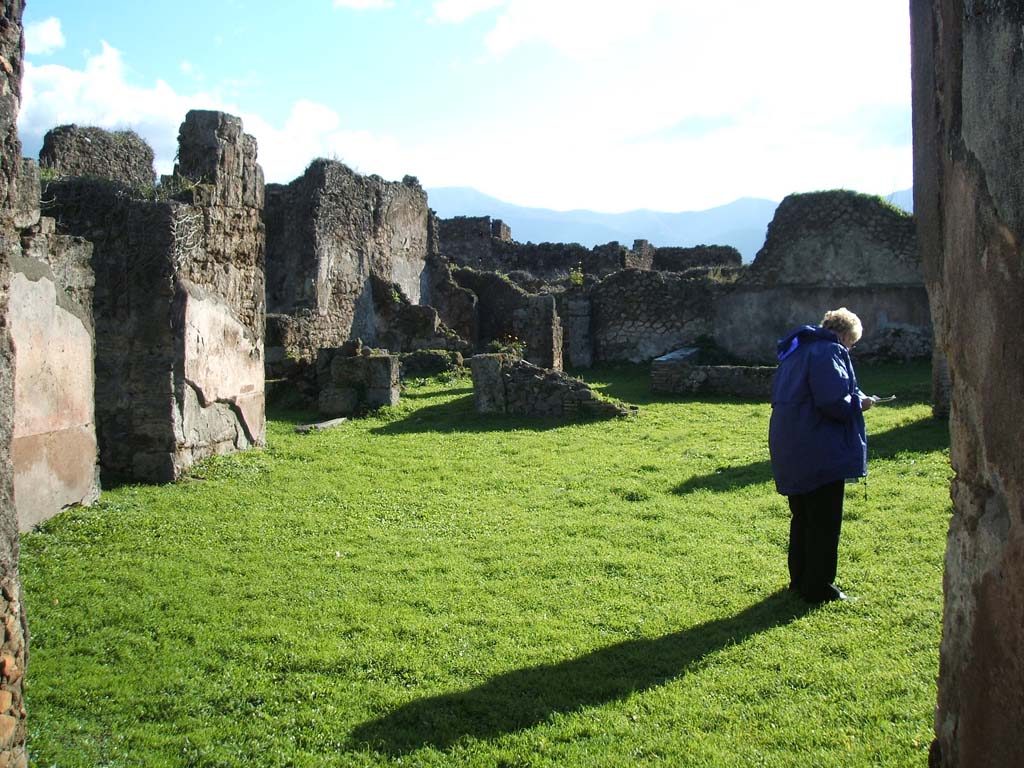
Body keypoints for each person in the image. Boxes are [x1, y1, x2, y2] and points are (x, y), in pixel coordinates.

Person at [768, 308, 873, 603]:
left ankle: (800, 579)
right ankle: (819, 587)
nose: (850, 349)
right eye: (851, 344)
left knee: (802, 517)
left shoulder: (796, 352)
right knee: (824, 522)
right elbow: (834, 402)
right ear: (843, 335)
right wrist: (860, 403)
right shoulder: (829, 351)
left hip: (792, 443)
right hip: (819, 446)